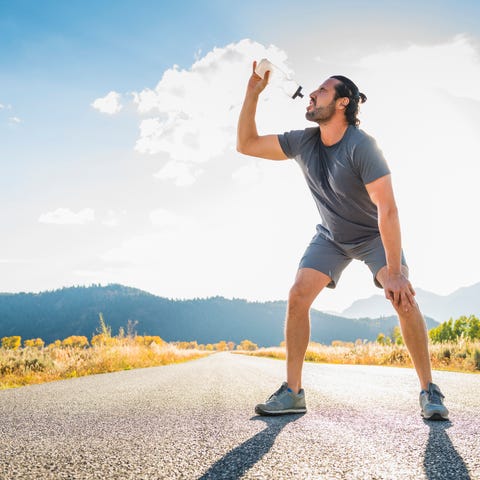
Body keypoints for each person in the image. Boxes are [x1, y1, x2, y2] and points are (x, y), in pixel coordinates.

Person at [236, 61, 449, 420]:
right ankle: (293, 392)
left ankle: (430, 391)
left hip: (371, 235)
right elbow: (246, 144)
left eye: (322, 90)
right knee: (298, 294)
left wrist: (394, 271)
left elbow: (388, 210)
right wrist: (252, 93)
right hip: (331, 235)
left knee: (402, 296)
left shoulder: (361, 146)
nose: (312, 93)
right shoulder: (303, 141)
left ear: (341, 103)